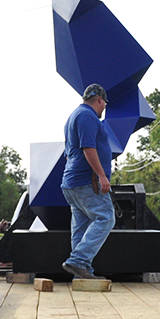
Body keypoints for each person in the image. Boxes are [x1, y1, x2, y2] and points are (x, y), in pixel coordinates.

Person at [60, 83, 115, 280]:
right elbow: (88, 149)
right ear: (100, 99)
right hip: (86, 181)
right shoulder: (87, 117)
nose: (104, 108)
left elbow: (69, 154)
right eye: (104, 104)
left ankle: (82, 273)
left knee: (81, 227)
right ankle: (78, 261)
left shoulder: (74, 116)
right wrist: (101, 175)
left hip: (72, 182)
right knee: (105, 217)